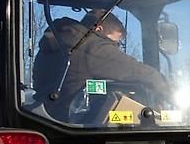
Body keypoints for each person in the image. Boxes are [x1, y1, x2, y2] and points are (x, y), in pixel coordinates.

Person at [32, 9, 168, 121]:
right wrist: (170, 94)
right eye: (115, 43)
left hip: (49, 119)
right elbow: (143, 73)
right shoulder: (91, 47)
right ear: (98, 29)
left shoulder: (57, 45)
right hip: (74, 124)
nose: (116, 49)